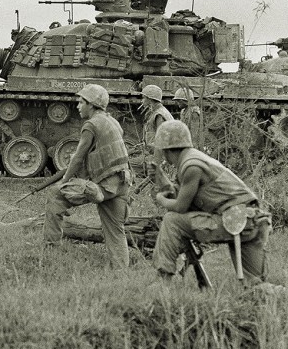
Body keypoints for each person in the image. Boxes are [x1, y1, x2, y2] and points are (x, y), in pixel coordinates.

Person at [150, 120, 271, 285]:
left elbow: (180, 207)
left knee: (172, 221)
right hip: (251, 220)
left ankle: (163, 284)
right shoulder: (195, 159)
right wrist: (162, 180)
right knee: (254, 287)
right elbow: (185, 197)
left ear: (166, 149)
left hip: (237, 220)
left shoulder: (191, 166)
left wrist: (161, 199)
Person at [43, 84, 131, 269]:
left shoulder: (91, 125)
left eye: (81, 102)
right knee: (116, 231)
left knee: (54, 194)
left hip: (104, 186)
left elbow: (78, 158)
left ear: (91, 104)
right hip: (122, 182)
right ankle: (121, 272)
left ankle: (50, 255)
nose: (77, 105)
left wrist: (63, 181)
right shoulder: (112, 122)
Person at [139, 84, 174, 178]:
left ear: (149, 99)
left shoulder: (159, 115)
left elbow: (160, 141)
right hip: (161, 154)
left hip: (162, 156)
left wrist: (156, 163)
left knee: (132, 165)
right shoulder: (160, 112)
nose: (142, 100)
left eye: (143, 98)